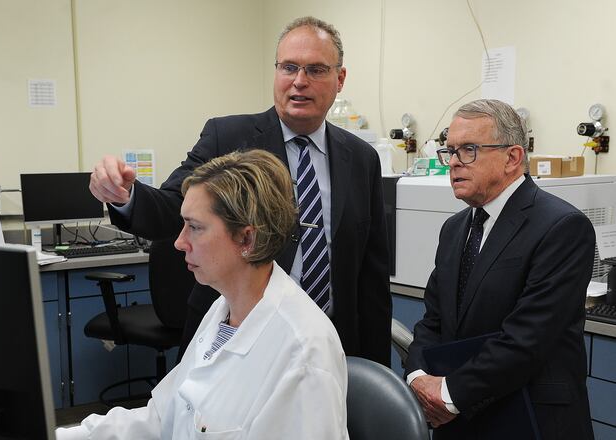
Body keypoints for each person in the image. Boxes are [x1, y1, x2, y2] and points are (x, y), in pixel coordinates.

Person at [90, 16, 391, 365]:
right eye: (288, 67)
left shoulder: (362, 159)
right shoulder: (228, 138)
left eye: (316, 70)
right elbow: (172, 208)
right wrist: (126, 196)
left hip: (329, 346)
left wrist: (377, 370)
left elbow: (372, 277)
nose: (299, 81)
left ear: (340, 79)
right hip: (235, 342)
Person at [57, 150, 349, 440]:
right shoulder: (223, 311)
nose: (179, 242)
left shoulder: (303, 353)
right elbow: (165, 415)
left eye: (195, 227)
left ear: (247, 238)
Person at [405, 99, 595, 439]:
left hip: (530, 419)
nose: (454, 162)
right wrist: (418, 377)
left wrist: (448, 394)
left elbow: (526, 339)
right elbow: (433, 320)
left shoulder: (561, 227)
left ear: (512, 158)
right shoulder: (455, 229)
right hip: (457, 418)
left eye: (469, 150)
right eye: (450, 151)